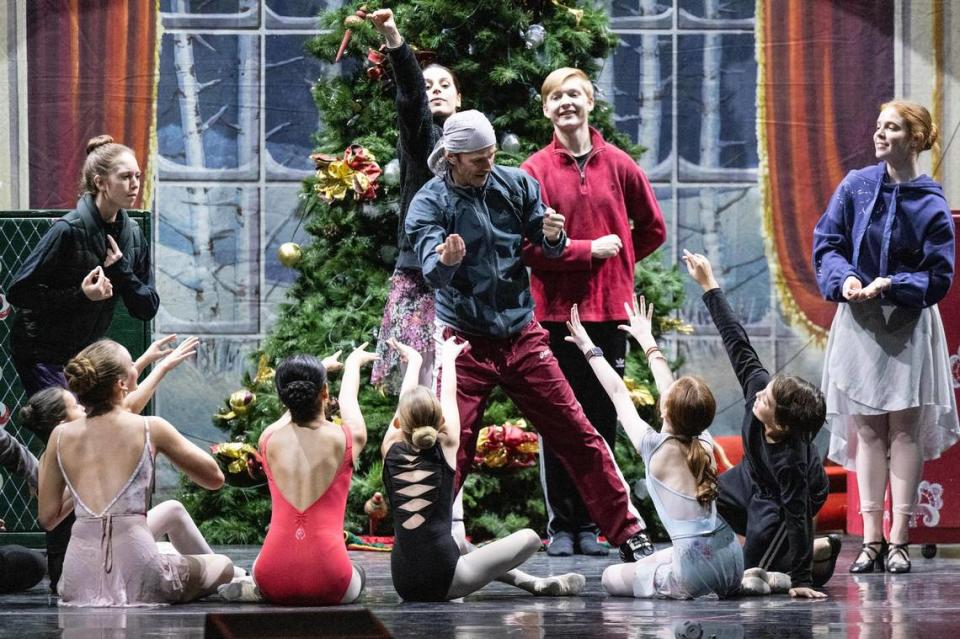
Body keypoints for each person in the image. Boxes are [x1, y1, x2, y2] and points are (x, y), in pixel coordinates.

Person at [405, 109, 652, 561]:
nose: (487, 163)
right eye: (478, 158)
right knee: (448, 445)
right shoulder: (430, 203)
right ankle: (425, 544)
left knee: (579, 432)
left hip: (520, 334)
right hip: (464, 341)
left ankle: (627, 530)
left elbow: (545, 240)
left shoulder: (516, 184)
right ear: (453, 158)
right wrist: (447, 260)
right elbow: (433, 277)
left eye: (492, 154)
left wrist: (553, 235)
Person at [521, 67, 666, 556]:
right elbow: (524, 247)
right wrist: (587, 253)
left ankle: (596, 524)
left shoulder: (621, 165)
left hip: (609, 315)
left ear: (591, 103)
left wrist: (618, 263)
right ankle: (562, 526)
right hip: (556, 317)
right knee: (561, 421)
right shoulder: (533, 172)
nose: (566, 102)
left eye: (575, 94)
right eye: (556, 96)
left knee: (602, 421)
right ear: (546, 109)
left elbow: (652, 229)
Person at [813, 100, 957, 574]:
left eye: (891, 128)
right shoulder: (856, 186)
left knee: (905, 429)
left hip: (908, 324)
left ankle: (900, 538)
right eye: (878, 126)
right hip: (861, 321)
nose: (879, 135)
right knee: (870, 429)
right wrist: (846, 279)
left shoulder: (930, 201)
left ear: (914, 139)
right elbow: (828, 243)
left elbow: (940, 275)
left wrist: (895, 284)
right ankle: (871, 539)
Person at [381, 337, 585, 601]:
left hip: (403, 580)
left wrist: (415, 363)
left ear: (399, 423)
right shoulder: (448, 444)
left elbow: (404, 405)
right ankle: (532, 583)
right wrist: (450, 358)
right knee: (531, 538)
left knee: (460, 544)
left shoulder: (389, 448)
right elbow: (450, 395)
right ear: (440, 421)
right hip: (444, 578)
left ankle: (534, 584)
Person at [684, 250, 838, 599]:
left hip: (784, 499)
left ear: (781, 426)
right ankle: (794, 555)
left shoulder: (792, 463)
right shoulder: (759, 387)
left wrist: (801, 582)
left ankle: (815, 556)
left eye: (767, 401)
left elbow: (798, 517)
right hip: (750, 476)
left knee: (746, 578)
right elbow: (737, 341)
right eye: (766, 390)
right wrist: (709, 285)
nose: (759, 396)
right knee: (702, 498)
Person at [565, 299, 744, 599]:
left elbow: (617, 392)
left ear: (665, 410)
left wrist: (588, 347)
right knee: (658, 556)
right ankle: (755, 579)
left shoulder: (655, 448)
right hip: (731, 559)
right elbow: (668, 387)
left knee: (611, 577)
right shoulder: (704, 442)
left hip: (692, 573)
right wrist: (646, 339)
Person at [37, 339, 234, 606]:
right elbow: (214, 479)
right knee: (223, 565)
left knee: (167, 519)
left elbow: (47, 517)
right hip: (139, 574)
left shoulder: (59, 436)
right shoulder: (151, 427)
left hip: (77, 579)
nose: (135, 367)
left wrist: (81, 486)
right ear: (120, 383)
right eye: (132, 364)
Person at [8, 134, 159, 399]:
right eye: (125, 177)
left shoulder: (133, 235)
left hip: (85, 358)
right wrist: (82, 295)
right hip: (41, 352)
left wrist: (122, 271)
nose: (135, 184)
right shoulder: (68, 230)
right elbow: (19, 292)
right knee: (69, 429)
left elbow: (147, 307)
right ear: (100, 182)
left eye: (137, 176)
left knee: (90, 434)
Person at [221, 346, 374, 605]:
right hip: (331, 580)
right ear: (325, 393)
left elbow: (287, 417)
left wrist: (319, 370)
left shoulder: (267, 440)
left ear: (284, 400)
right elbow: (349, 401)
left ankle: (257, 586)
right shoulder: (348, 438)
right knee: (359, 574)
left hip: (271, 575)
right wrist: (352, 363)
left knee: (268, 565)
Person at [368, 8, 461, 392]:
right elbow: (410, 99)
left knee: (455, 384)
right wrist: (393, 36)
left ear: (460, 97)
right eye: (429, 84)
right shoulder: (422, 133)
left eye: (444, 84)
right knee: (420, 387)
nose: (436, 89)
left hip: (465, 278)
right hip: (419, 273)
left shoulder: (476, 145)